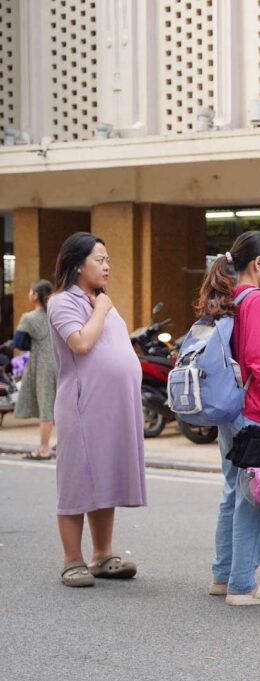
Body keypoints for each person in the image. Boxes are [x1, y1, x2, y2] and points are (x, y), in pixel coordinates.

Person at [47, 233, 146, 588]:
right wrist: (101, 309)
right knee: (77, 477)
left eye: (107, 260)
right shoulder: (62, 302)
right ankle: (72, 560)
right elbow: (81, 342)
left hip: (113, 405)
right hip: (83, 403)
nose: (107, 266)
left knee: (104, 472)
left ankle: (102, 555)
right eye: (99, 260)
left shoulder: (100, 300)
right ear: (77, 265)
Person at [197, 231, 260, 606]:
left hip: (232, 411)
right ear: (259, 264)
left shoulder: (230, 299)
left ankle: (224, 576)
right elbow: (259, 358)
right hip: (254, 412)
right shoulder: (257, 301)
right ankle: (243, 584)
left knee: (234, 492)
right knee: (259, 501)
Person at [14, 280, 57, 460]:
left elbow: (19, 342)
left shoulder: (29, 318)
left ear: (36, 295)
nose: (29, 294)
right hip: (60, 362)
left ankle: (44, 448)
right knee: (60, 406)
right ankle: (62, 444)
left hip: (42, 363)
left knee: (46, 406)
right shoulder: (55, 315)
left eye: (30, 291)